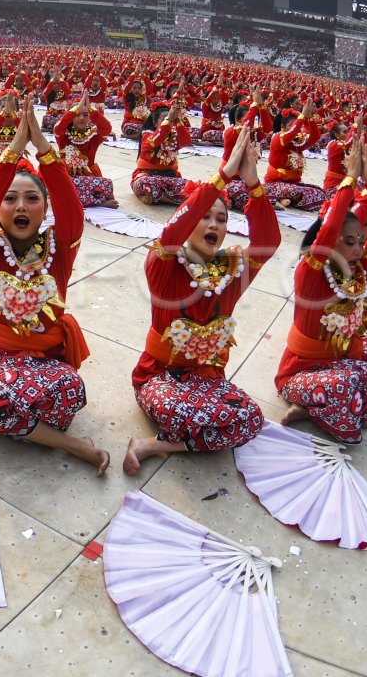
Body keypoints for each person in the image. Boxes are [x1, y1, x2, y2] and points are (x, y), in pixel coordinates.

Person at [0, 105, 109, 476]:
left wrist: (43, 147)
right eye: (10, 198)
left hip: (48, 365)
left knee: (69, 393)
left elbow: (73, 209)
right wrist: (15, 148)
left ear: (44, 207)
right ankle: (68, 443)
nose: (21, 205)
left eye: (31, 198)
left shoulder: (61, 246)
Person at [125, 126, 280, 473]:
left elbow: (269, 242)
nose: (213, 224)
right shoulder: (164, 264)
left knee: (250, 419)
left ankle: (156, 445)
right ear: (190, 220)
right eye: (205, 216)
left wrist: (254, 185)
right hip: (159, 378)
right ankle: (188, 432)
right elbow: (171, 234)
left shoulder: (233, 269)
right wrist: (222, 176)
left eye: (221, 219)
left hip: (208, 379)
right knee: (181, 409)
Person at [275, 146, 367, 442]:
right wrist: (350, 178)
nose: (359, 249)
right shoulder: (313, 271)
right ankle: (350, 416)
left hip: (335, 364)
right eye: (350, 241)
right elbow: (330, 227)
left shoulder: (355, 270)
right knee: (343, 385)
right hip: (297, 373)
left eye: (361, 241)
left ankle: (309, 410)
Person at [54, 93, 117, 208]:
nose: (81, 118)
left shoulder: (93, 135)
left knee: (106, 184)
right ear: (71, 116)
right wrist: (75, 109)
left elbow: (107, 128)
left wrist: (91, 109)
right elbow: (59, 127)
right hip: (66, 175)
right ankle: (98, 202)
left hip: (88, 176)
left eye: (85, 114)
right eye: (77, 115)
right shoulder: (63, 134)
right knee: (66, 185)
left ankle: (79, 201)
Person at [131, 96, 191, 205]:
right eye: (163, 119)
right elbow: (156, 140)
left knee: (190, 187)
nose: (168, 122)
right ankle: (167, 198)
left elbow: (186, 141)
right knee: (144, 182)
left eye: (169, 119)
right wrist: (169, 120)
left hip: (169, 177)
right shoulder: (147, 135)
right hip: (149, 176)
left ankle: (159, 196)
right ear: (155, 122)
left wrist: (177, 120)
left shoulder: (173, 135)